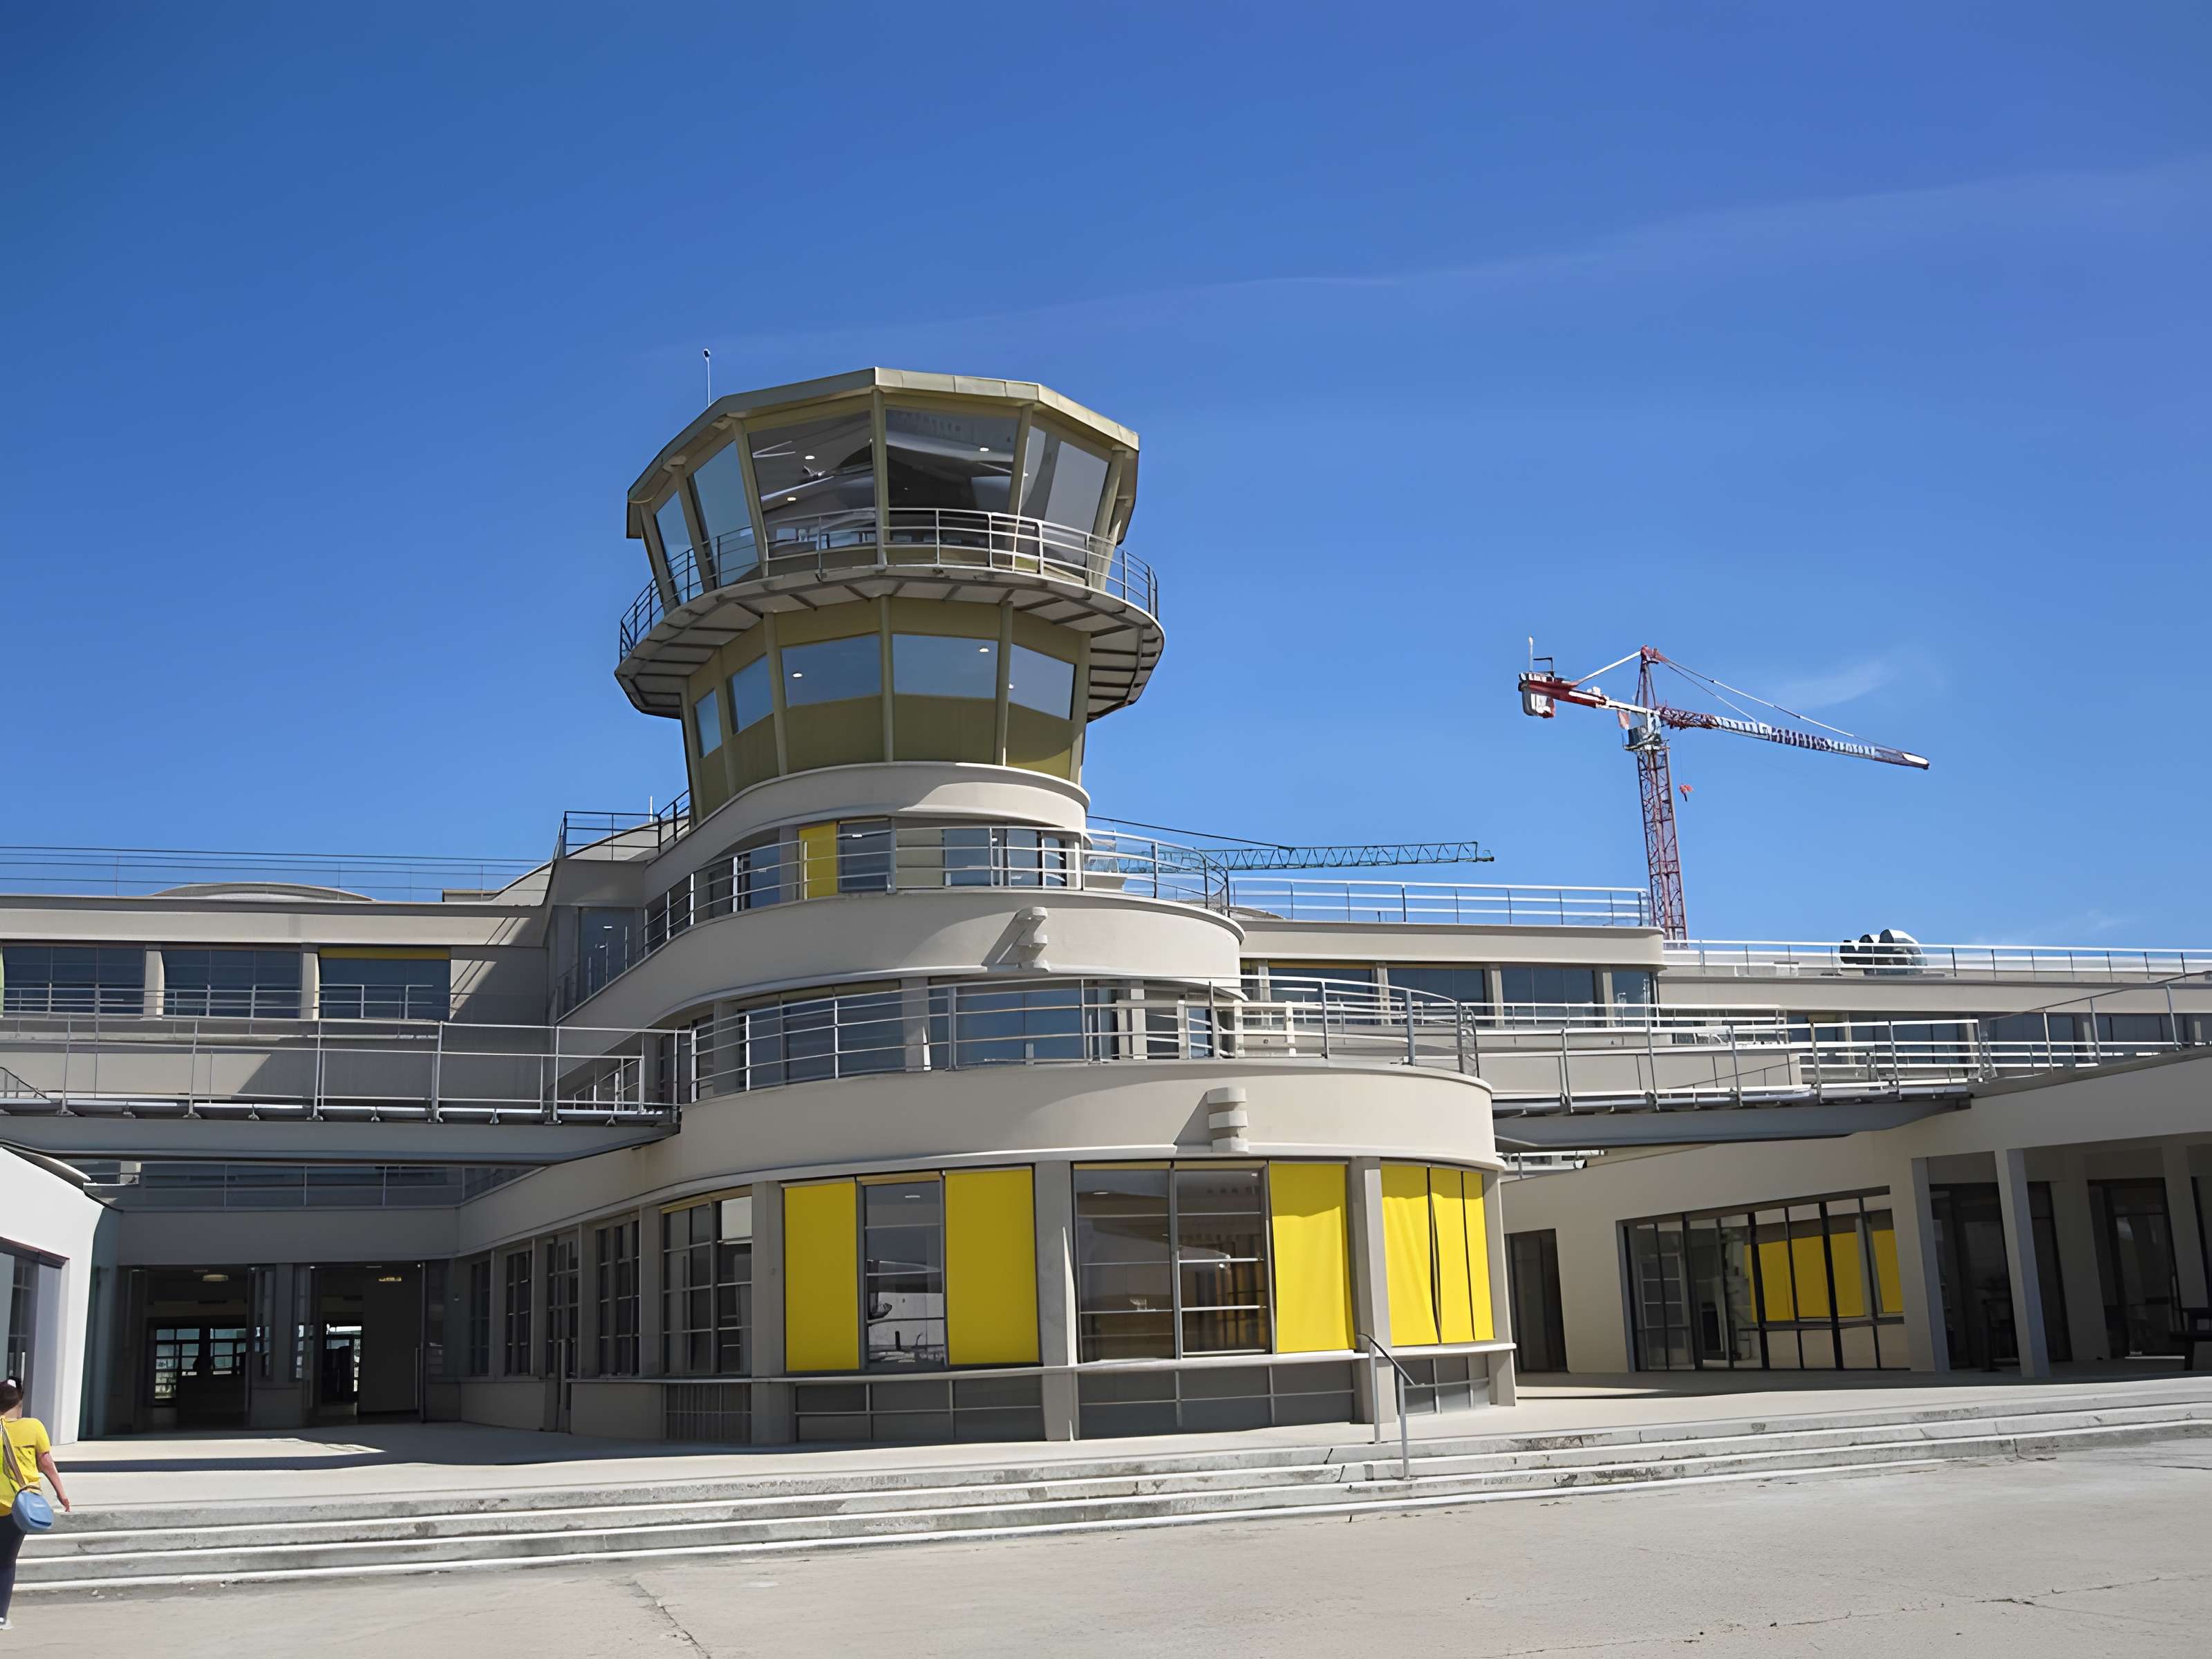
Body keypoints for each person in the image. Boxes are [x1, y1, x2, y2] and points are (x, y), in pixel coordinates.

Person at [0, 1378, 71, 1631]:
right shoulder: (33, 1427)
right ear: (20, 1401)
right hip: (17, 1506)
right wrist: (61, 1494)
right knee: (6, 1561)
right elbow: (46, 1462)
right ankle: (0, 1616)